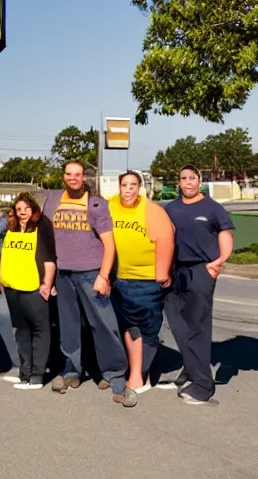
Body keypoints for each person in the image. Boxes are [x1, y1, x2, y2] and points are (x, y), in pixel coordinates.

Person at [42, 162, 136, 407]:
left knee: (105, 326)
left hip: (91, 275)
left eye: (78, 175)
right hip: (64, 274)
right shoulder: (53, 201)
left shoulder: (96, 204)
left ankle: (115, 378)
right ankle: (71, 371)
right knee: (69, 327)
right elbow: (47, 239)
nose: (73, 178)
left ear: (84, 178)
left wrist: (103, 276)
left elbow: (109, 244)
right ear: (63, 176)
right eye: (69, 174)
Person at [161, 165, 234, 405]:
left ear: (199, 180)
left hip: (202, 269)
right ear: (178, 182)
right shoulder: (170, 209)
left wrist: (219, 261)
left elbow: (225, 234)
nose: (188, 182)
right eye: (184, 178)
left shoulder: (212, 208)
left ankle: (203, 385)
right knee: (176, 320)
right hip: (176, 270)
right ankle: (191, 371)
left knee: (198, 325)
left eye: (193, 178)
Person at [109, 171, 174, 393]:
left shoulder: (152, 210)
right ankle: (135, 372)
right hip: (120, 279)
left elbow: (166, 239)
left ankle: (140, 375)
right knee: (128, 328)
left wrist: (162, 272)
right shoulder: (110, 206)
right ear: (119, 187)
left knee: (146, 329)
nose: (128, 189)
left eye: (133, 185)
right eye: (125, 185)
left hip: (146, 281)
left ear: (140, 187)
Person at [0, 192, 56, 390]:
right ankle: (25, 372)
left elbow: (49, 258)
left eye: (26, 209)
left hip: (34, 286)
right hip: (12, 286)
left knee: (40, 328)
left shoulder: (41, 227)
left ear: (33, 210)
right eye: (19, 209)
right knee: (21, 329)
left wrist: (47, 283)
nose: (22, 213)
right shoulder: (10, 229)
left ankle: (38, 375)